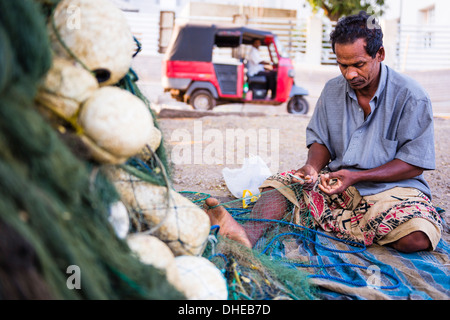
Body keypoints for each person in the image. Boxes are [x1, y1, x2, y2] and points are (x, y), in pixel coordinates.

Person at [204, 11, 443, 253]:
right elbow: (321, 141)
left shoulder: (412, 96)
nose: (350, 74)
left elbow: (414, 163)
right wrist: (312, 168)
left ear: (379, 54)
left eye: (358, 65)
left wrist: (357, 176)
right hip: (336, 185)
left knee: (417, 238)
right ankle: (247, 234)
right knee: (279, 186)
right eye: (342, 65)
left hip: (392, 190)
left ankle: (345, 222)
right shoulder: (332, 90)